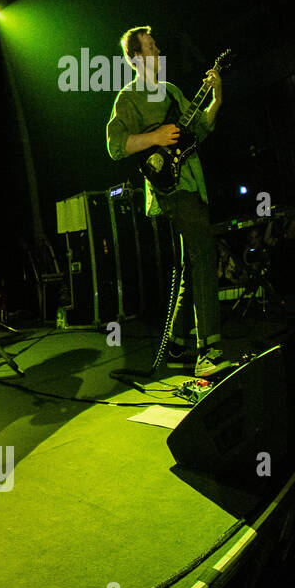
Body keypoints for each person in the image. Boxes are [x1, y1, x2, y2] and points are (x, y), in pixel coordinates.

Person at [105, 26, 227, 376]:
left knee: (191, 263)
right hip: (170, 188)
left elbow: (200, 128)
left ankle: (175, 345)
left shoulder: (171, 91)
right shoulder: (128, 98)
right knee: (205, 252)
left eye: (157, 45)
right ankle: (209, 351)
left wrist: (216, 98)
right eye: (152, 46)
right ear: (136, 58)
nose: (159, 51)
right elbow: (116, 146)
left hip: (193, 182)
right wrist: (154, 136)